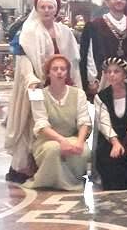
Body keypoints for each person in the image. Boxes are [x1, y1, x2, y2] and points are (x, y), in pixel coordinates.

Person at [5, 0, 82, 183]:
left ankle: (58, 164)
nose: (46, 10)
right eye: (43, 7)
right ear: (37, 9)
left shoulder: (65, 31)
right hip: (36, 84)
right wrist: (31, 78)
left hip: (60, 83)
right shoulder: (29, 31)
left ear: (56, 10)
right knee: (33, 124)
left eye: (50, 7)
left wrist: (76, 81)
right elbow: (23, 58)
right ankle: (26, 167)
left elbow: (73, 59)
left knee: (60, 122)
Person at [23, 55, 91, 191]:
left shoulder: (79, 93)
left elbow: (84, 121)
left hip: (71, 137)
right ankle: (50, 181)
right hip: (46, 140)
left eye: (63, 69)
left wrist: (79, 142)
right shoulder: (38, 94)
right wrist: (61, 141)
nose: (59, 72)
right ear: (48, 73)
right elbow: (41, 124)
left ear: (67, 72)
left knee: (83, 151)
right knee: (53, 149)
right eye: (55, 69)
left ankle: (73, 180)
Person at [93, 58, 127, 190]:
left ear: (125, 74)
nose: (112, 75)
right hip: (110, 137)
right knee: (108, 158)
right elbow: (104, 122)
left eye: (116, 71)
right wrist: (115, 143)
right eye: (109, 72)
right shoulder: (100, 97)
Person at [80, 0, 127, 97]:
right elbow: (89, 54)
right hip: (104, 79)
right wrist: (92, 80)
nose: (119, 0)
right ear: (107, 2)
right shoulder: (95, 25)